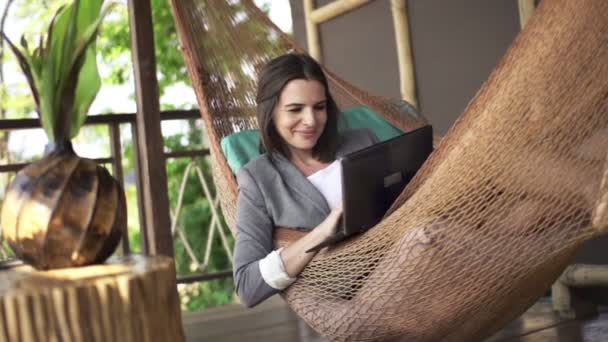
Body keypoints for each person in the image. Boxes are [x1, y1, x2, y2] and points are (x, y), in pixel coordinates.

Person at [233, 53, 378, 308]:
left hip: (403, 261)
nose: (311, 120)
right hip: (351, 298)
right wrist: (323, 231)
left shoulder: (363, 142)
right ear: (270, 113)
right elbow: (247, 286)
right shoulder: (259, 180)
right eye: (295, 109)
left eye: (319, 107)